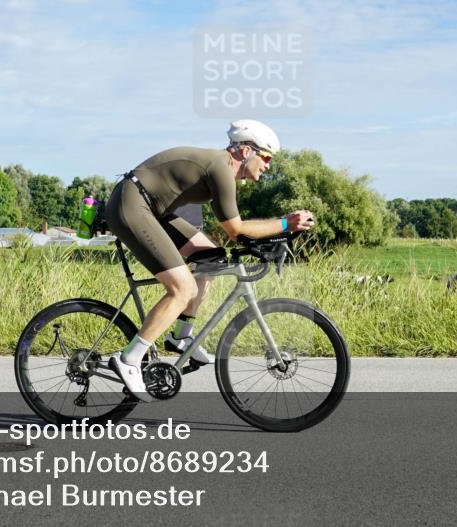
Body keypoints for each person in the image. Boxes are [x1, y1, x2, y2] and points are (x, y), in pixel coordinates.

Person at [104, 119, 314, 400]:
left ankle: (180, 336)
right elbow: (236, 229)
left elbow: (235, 234)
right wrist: (286, 224)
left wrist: (276, 235)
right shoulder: (220, 167)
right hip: (131, 205)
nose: (268, 165)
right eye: (265, 157)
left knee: (212, 259)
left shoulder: (222, 169)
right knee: (183, 288)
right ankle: (129, 358)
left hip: (153, 210)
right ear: (244, 151)